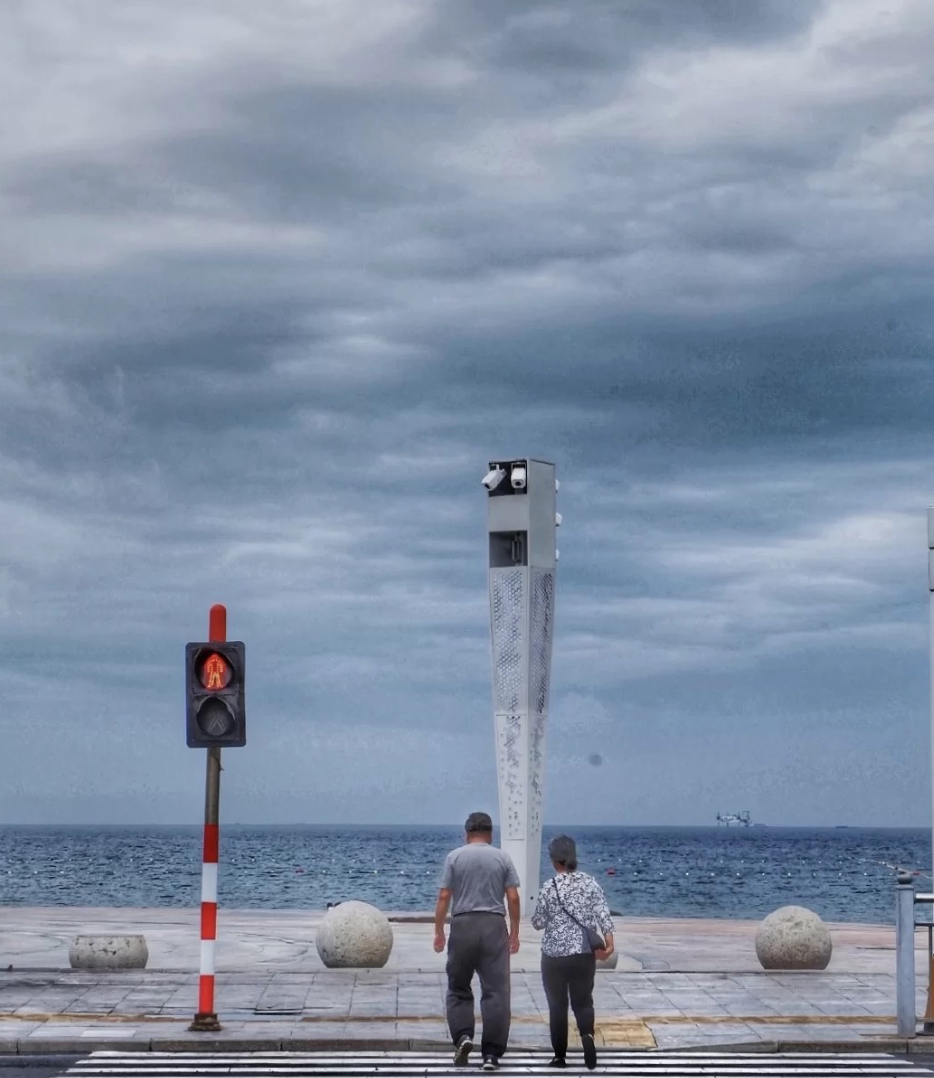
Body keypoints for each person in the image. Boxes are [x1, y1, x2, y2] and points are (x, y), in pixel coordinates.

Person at [433, 811, 521, 1071]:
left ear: (466, 833)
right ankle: (491, 1055)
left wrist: (439, 931)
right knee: (496, 991)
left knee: (459, 986)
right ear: (491, 834)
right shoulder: (502, 857)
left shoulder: (455, 857)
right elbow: (514, 898)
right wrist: (514, 932)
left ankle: (463, 1036)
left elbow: (444, 896)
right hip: (494, 925)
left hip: (463, 925)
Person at [531, 834, 615, 1071]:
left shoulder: (549, 887)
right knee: (583, 1001)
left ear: (553, 860)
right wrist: (609, 945)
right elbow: (604, 916)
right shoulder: (591, 883)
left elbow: (538, 922)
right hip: (583, 953)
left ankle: (559, 1057)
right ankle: (587, 1035)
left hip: (554, 956)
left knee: (557, 1006)